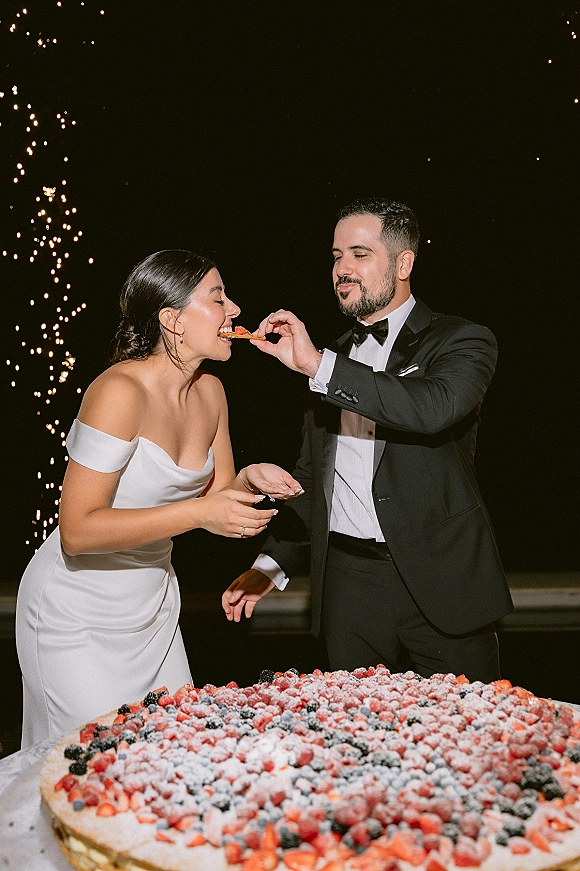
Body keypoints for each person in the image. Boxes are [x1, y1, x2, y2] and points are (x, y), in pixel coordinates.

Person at [16, 249, 302, 748]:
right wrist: (199, 511)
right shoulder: (119, 391)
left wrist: (251, 479)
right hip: (75, 617)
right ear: (172, 319)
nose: (234, 310)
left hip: (152, 612)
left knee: (171, 759)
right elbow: (79, 531)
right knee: (87, 770)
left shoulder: (211, 392)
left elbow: (218, 503)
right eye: (218, 298)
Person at [222, 199, 513, 682]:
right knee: (357, 739)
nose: (342, 269)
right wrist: (271, 565)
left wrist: (319, 367)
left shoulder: (463, 340)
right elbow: (314, 476)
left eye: (359, 254)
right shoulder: (330, 358)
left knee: (472, 736)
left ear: (403, 263)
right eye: (336, 256)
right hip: (349, 586)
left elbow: (431, 408)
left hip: (442, 580)